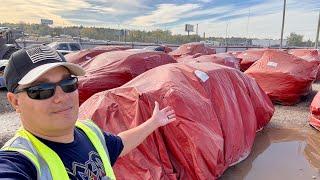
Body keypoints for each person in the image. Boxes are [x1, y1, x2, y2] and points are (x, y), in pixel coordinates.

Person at [0, 45, 176, 180]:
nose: (61, 97)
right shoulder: (19, 160)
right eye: (41, 89)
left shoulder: (88, 132)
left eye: (68, 84)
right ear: (15, 101)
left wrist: (154, 122)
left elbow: (120, 143)